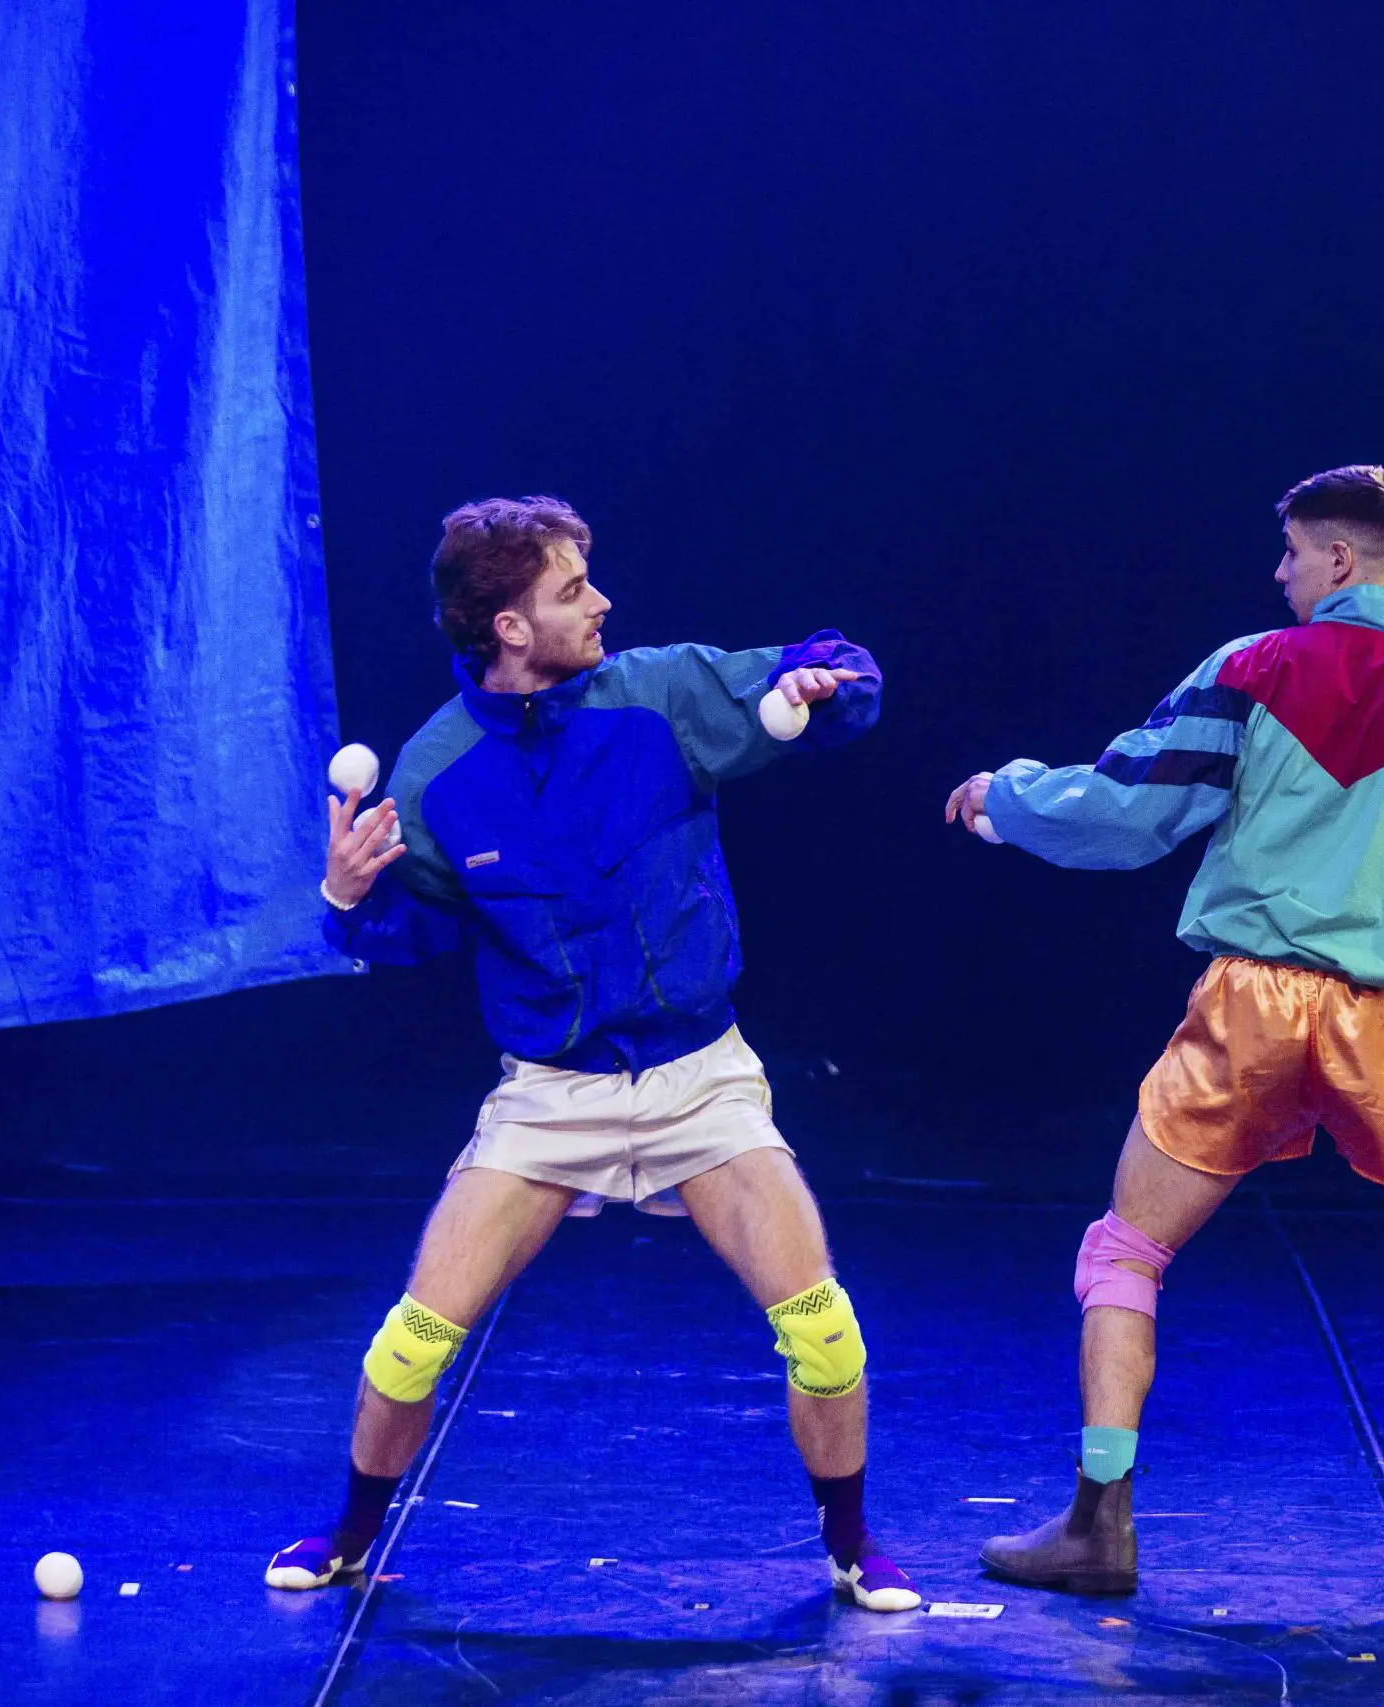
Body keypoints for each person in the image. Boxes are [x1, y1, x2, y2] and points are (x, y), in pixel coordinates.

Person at [944, 465, 1384, 1595]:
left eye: (1291, 555)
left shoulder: (1252, 670)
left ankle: (1098, 1523)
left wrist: (1003, 797)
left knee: (1126, 1250)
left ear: (1339, 561)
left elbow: (1129, 809)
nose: (1278, 574)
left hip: (1250, 1009)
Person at [266, 495, 919, 1612]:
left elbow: (832, 661)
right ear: (509, 626)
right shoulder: (436, 775)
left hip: (698, 1083)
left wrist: (825, 688)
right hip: (548, 1099)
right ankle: (349, 1533)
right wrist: (343, 898)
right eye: (572, 588)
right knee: (412, 1345)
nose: (600, 600)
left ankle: (852, 1543)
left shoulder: (659, 695)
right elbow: (409, 930)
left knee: (823, 1330)